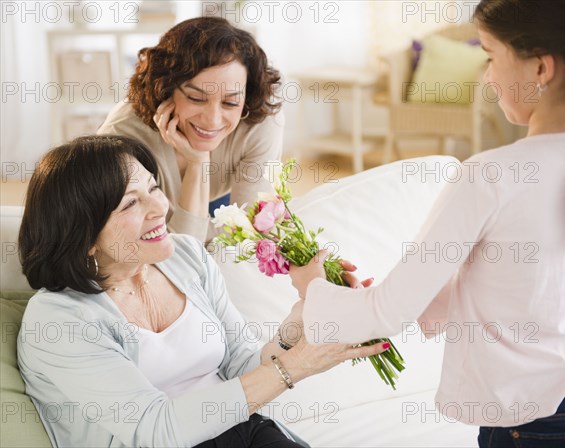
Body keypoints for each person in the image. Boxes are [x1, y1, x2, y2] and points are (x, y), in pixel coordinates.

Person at [289, 0, 565, 446]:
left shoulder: (489, 176)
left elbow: (386, 313)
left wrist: (312, 289)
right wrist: (416, 296)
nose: (488, 77)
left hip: (529, 419)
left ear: (540, 68)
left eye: (491, 56)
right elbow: (539, 288)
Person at [16, 135, 388, 448]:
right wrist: (295, 366)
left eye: (154, 188)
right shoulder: (57, 319)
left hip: (242, 432)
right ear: (84, 238)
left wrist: (305, 316)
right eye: (131, 203)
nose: (159, 207)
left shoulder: (187, 258)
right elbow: (158, 429)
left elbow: (242, 364)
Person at [98, 17, 284, 243]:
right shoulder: (123, 139)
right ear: (165, 89)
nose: (212, 120)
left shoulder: (260, 119)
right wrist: (198, 163)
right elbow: (179, 255)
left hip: (220, 201)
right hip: (163, 214)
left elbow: (250, 230)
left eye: (231, 103)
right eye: (196, 98)